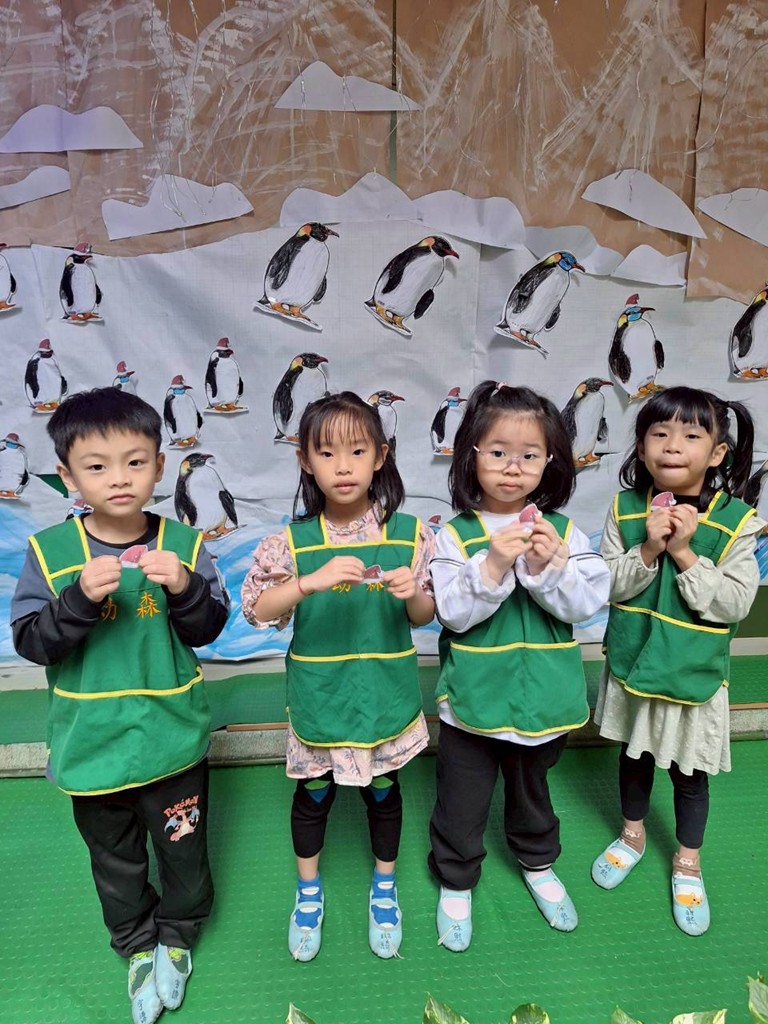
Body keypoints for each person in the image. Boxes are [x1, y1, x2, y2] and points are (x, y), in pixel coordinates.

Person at [10, 388, 229, 1024]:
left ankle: (178, 935)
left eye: (135, 462)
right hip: (92, 745)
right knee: (115, 859)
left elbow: (209, 628)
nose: (119, 478)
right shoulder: (50, 552)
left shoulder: (185, 544)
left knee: (184, 851)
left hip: (173, 741)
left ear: (160, 466)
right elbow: (32, 643)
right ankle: (135, 943)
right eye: (97, 466)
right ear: (68, 476)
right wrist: (76, 602)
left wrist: (185, 587)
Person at [241, 391, 435, 962]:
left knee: (385, 792)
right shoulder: (290, 542)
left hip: (385, 700)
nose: (343, 466)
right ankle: (308, 892)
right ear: (305, 460)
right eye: (327, 453)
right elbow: (257, 610)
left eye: (357, 451)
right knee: (313, 794)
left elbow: (424, 615)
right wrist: (307, 582)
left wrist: (412, 592)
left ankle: (384, 886)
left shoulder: (410, 534)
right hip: (320, 701)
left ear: (381, 456)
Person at [428, 381, 609, 951]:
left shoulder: (566, 532)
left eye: (530, 455)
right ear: (471, 455)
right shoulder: (453, 535)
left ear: (550, 461)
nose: (513, 467)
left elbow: (585, 604)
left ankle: (538, 864)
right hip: (474, 701)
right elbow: (453, 615)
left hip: (544, 700)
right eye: (499, 452)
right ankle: (456, 879)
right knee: (462, 799)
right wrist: (492, 564)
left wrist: (552, 566)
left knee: (533, 794)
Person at [591, 386, 763, 936]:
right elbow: (605, 584)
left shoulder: (738, 521)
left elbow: (735, 603)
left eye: (691, 435)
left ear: (717, 453)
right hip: (634, 666)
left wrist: (685, 552)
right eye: (659, 434)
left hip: (693, 677)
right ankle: (632, 834)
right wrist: (648, 548)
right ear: (642, 447)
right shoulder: (625, 508)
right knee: (634, 758)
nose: (672, 446)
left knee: (690, 776)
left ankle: (688, 861)